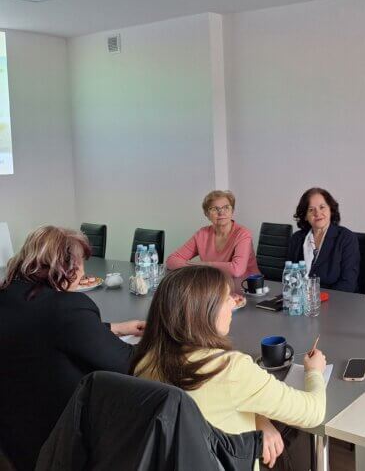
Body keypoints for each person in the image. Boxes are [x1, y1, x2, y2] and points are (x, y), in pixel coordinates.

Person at [132, 266, 326, 470]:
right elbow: (313, 412)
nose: (234, 303)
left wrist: (260, 419)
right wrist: (314, 371)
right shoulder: (229, 368)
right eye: (226, 299)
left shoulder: (145, 361)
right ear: (203, 312)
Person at [0, 226, 144, 470]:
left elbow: (41, 330)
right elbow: (127, 363)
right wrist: (165, 339)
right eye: (81, 263)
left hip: (12, 433)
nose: (83, 272)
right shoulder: (68, 307)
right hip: (57, 439)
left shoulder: (8, 294)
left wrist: (115, 328)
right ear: (67, 267)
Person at [166, 190, 261, 281]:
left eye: (226, 207)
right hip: (216, 285)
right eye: (214, 209)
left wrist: (203, 266)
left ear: (232, 211)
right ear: (206, 214)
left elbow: (237, 270)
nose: (221, 212)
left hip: (246, 286)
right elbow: (171, 261)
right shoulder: (202, 234)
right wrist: (201, 267)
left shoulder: (243, 233)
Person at [287, 187, 360, 293]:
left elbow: (348, 284)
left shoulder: (346, 238)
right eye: (311, 210)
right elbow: (289, 277)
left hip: (336, 300)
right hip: (300, 300)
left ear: (331, 210)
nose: (317, 213)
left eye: (322, 207)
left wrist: (315, 298)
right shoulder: (296, 239)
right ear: (305, 216)